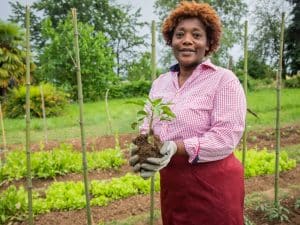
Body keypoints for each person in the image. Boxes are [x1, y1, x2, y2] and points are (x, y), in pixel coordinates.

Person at [129, 1, 246, 225]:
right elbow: (148, 125)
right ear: (171, 41)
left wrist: (175, 146)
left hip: (214, 183)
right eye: (179, 34)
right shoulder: (160, 83)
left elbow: (225, 137)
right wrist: (142, 151)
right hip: (174, 185)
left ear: (209, 42)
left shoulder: (223, 79)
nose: (187, 40)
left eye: (196, 35)